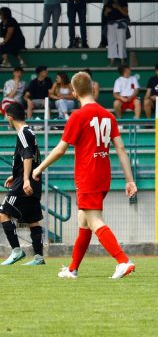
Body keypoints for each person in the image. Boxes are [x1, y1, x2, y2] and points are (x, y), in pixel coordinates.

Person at [32, 71, 137, 279]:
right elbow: (121, 148)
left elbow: (60, 149)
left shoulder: (78, 116)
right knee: (83, 220)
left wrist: (39, 168)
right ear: (92, 89)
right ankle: (72, 269)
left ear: (74, 92)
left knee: (95, 219)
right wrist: (129, 179)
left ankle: (123, 261)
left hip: (87, 175)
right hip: (103, 175)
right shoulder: (108, 115)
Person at [0, 103, 45, 266]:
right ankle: (39, 257)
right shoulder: (30, 132)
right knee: (33, 219)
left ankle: (16, 251)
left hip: (25, 183)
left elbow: (27, 157)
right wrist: (15, 174)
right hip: (33, 181)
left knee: (3, 212)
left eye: (6, 117)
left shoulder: (23, 133)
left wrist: (24, 179)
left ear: (10, 118)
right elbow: (28, 157)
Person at [104, 0, 129, 67]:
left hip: (121, 22)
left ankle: (122, 61)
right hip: (111, 23)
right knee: (111, 42)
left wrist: (117, 7)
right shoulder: (109, 1)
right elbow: (105, 13)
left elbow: (125, 13)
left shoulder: (123, 0)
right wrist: (107, 11)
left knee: (121, 41)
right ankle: (112, 61)